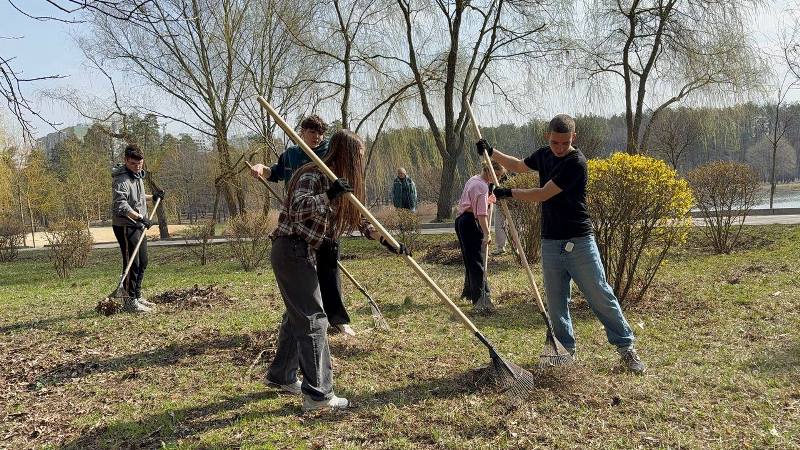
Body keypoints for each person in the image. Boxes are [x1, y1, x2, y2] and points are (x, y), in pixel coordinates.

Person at [477, 114, 646, 374]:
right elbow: (519, 165)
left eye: (564, 143)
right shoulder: (544, 154)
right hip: (551, 242)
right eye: (555, 142)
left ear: (573, 138)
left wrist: (509, 193)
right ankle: (564, 353)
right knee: (556, 303)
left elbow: (544, 193)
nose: (558, 148)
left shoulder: (576, 163)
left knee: (599, 294)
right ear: (548, 137)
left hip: (579, 241)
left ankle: (626, 348)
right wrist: (492, 152)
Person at [265, 129, 407, 411]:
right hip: (292, 249)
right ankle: (318, 395)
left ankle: (281, 375)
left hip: (305, 253)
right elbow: (296, 209)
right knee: (314, 319)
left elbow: (359, 219)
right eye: (359, 157)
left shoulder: (341, 183)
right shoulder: (313, 173)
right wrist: (328, 194)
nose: (361, 163)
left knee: (298, 315)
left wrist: (387, 241)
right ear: (348, 155)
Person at [249, 115, 356, 337]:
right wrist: (261, 167)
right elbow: (275, 173)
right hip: (299, 220)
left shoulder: (328, 153)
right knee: (302, 275)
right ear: (302, 132)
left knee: (329, 269)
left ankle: (337, 319)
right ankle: (301, 319)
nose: (317, 137)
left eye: (320, 133)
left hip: (324, 218)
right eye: (312, 132)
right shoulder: (291, 155)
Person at [111, 144, 165, 313]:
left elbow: (139, 197)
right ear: (126, 160)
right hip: (126, 226)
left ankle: (137, 295)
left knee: (143, 261)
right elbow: (122, 206)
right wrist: (141, 218)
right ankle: (129, 302)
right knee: (132, 263)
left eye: (140, 163)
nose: (138, 166)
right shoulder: (122, 180)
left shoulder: (137, 176)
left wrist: (153, 197)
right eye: (134, 163)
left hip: (138, 224)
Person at [454, 160, 505, 308]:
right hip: (470, 222)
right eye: (498, 175)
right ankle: (481, 297)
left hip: (462, 220)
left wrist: (488, 200)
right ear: (490, 171)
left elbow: (475, 202)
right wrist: (487, 234)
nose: (498, 179)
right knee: (477, 261)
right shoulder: (481, 186)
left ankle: (470, 292)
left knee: (470, 259)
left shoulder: (474, 179)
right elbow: (482, 214)